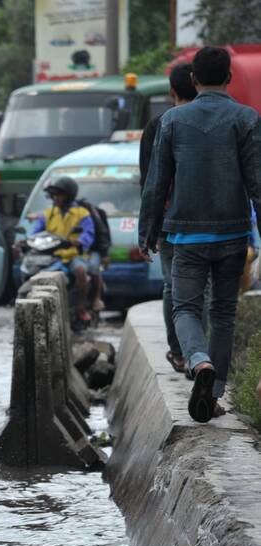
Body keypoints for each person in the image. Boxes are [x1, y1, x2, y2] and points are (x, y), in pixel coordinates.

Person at [141, 46, 261, 422]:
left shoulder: (172, 122)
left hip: (185, 238)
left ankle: (198, 360)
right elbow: (258, 184)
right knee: (223, 312)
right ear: (228, 78)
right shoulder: (247, 118)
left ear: (193, 80)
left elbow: (156, 183)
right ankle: (216, 390)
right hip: (232, 235)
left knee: (185, 307)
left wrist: (148, 232)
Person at [140, 63, 198, 374]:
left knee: (172, 287)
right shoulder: (223, 120)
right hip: (213, 222)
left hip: (168, 223)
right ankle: (202, 356)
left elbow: (149, 183)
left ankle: (180, 353)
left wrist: (147, 231)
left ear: (171, 92)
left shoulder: (158, 125)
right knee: (210, 293)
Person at [32, 175, 97, 325]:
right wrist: (26, 241)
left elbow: (89, 233)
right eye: (53, 195)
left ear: (68, 195)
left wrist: (80, 242)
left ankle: (80, 307)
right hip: (53, 255)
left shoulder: (82, 213)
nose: (55, 198)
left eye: (58, 195)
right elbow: (36, 232)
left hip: (74, 255)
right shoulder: (48, 213)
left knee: (81, 271)